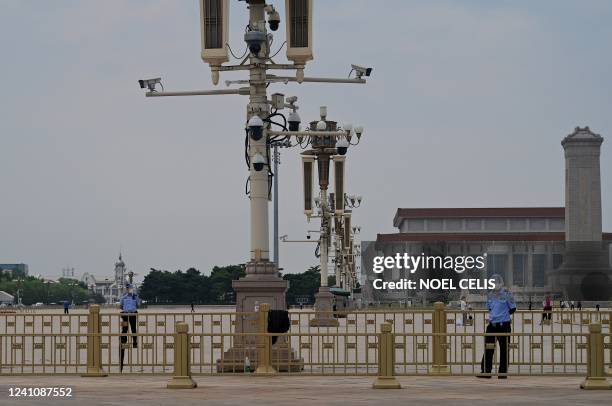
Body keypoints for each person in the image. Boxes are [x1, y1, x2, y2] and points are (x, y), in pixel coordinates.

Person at [478, 274, 516, 379]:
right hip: (492, 324)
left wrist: (503, 315)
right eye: (493, 283)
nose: (495, 285)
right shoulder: (490, 295)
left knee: (504, 349)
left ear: (501, 283)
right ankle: (486, 371)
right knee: (488, 348)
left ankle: (502, 373)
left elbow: (513, 309)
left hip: (504, 324)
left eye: (496, 282)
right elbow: (490, 308)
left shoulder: (508, 294)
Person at [120, 284, 139, 349]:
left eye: (130, 288)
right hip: (125, 315)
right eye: (127, 288)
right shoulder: (123, 297)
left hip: (133, 314)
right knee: (124, 329)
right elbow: (121, 306)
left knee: (133, 329)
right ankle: (123, 342)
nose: (129, 290)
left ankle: (134, 342)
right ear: (126, 289)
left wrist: (135, 297)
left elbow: (138, 305)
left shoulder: (135, 296)